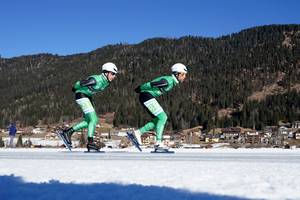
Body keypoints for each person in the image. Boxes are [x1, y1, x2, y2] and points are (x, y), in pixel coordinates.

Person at [59, 62, 118, 151]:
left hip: (88, 97)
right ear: (106, 72)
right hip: (81, 95)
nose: (114, 76)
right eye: (113, 74)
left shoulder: (106, 82)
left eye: (115, 74)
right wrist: (74, 88)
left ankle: (68, 132)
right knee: (94, 119)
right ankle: (90, 143)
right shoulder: (95, 80)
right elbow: (81, 83)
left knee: (88, 121)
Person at [133, 63, 188, 150]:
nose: (184, 77)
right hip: (146, 95)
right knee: (163, 117)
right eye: (183, 74)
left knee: (157, 120)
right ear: (177, 74)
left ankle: (138, 132)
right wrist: (140, 88)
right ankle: (158, 142)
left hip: (146, 96)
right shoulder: (167, 81)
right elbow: (151, 84)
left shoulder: (171, 82)